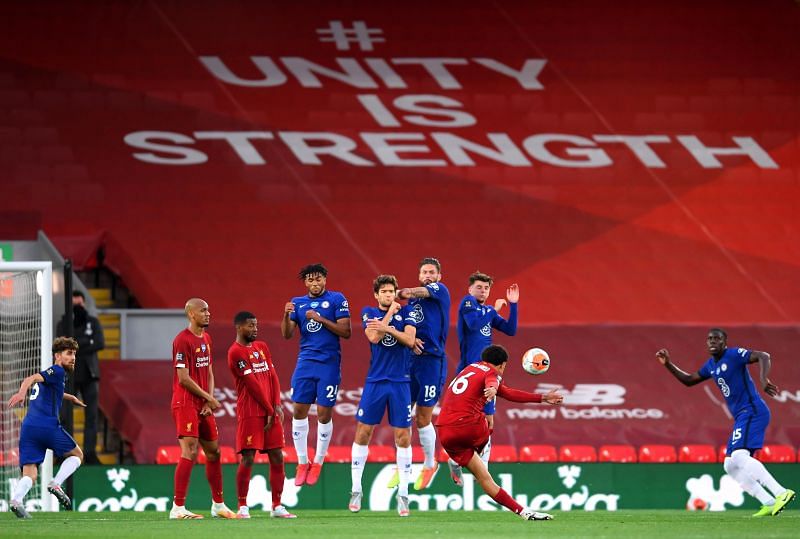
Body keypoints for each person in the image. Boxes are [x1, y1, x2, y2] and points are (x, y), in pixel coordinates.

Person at [656, 328, 795, 517]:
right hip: (742, 416)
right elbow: (689, 380)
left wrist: (763, 379)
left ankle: (781, 492)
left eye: (717, 338)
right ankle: (768, 502)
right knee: (730, 464)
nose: (713, 341)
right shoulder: (711, 365)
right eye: (710, 339)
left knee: (739, 456)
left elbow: (763, 355)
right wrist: (668, 364)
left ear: (724, 342)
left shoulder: (734, 354)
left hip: (753, 411)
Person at [436, 344, 562, 521]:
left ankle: (525, 513)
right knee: (488, 426)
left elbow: (508, 393)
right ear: (502, 365)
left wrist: (541, 398)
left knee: (486, 480)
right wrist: (493, 388)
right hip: (466, 426)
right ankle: (481, 460)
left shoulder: (469, 368)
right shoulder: (491, 373)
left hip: (444, 432)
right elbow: (493, 382)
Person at [349, 275, 417, 517]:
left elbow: (410, 340)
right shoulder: (369, 312)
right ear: (377, 295)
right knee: (363, 432)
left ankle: (404, 494)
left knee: (403, 437)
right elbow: (373, 337)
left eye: (392, 291)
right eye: (385, 292)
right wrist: (388, 320)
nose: (389, 295)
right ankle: (356, 488)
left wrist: (388, 327)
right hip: (376, 381)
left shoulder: (408, 313)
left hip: (400, 382)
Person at [281, 263, 351, 487]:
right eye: (310, 280)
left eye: (318, 279)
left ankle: (318, 461)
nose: (315, 283)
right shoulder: (298, 302)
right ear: (305, 283)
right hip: (306, 362)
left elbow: (346, 331)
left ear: (325, 280)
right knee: (298, 410)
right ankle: (302, 462)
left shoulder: (337, 299)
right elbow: (287, 334)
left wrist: (321, 319)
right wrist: (286, 315)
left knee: (323, 414)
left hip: (329, 364)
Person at [169, 298, 237, 520]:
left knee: (214, 451)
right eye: (203, 310)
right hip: (186, 402)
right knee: (189, 450)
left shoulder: (206, 338)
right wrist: (209, 397)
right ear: (191, 314)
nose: (208, 313)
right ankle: (178, 509)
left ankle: (218, 505)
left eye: (208, 309)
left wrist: (208, 401)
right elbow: (183, 378)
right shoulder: (182, 340)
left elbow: (208, 371)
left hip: (202, 404)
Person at [7, 337, 86, 519]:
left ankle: (16, 501)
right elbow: (32, 377)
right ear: (57, 356)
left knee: (30, 472)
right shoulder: (57, 371)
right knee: (77, 455)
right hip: (46, 426)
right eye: (69, 353)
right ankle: (56, 484)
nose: (73, 357)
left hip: (28, 428)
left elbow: (49, 389)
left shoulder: (53, 378)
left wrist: (70, 397)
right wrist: (21, 393)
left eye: (74, 354)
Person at [227, 311, 296, 519]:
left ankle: (276, 506)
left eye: (256, 325)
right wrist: (268, 409)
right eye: (250, 325)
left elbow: (272, 376)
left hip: (270, 411)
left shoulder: (262, 347)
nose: (255, 329)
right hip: (251, 412)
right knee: (248, 457)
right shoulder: (235, 352)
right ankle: (242, 507)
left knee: (277, 456)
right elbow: (252, 385)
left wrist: (276, 405)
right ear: (239, 328)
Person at [396, 257, 450, 490]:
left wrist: (405, 291)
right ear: (419, 275)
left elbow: (417, 292)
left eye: (431, 272)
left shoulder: (439, 291)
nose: (428, 275)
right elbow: (405, 329)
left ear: (438, 276)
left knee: (423, 418)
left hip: (432, 362)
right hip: (410, 362)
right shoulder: (410, 307)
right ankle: (403, 466)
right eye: (424, 272)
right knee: (401, 414)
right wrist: (411, 339)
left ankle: (430, 464)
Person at [455, 272, 518, 471]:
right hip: (468, 371)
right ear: (470, 289)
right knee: (464, 418)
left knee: (488, 418)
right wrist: (494, 309)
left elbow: (510, 330)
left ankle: (484, 464)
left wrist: (513, 305)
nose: (483, 291)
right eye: (479, 287)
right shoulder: (468, 303)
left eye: (486, 288)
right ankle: (456, 458)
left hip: (487, 373)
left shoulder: (486, 311)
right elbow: (473, 324)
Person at [56, 290, 105, 465]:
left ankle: (90, 453)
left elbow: (100, 342)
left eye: (80, 304)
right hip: (70, 376)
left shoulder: (93, 322)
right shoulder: (63, 323)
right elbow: (60, 346)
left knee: (91, 415)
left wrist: (76, 344)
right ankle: (66, 452)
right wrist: (86, 341)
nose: (78, 308)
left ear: (84, 304)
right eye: (75, 305)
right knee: (64, 415)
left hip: (90, 374)